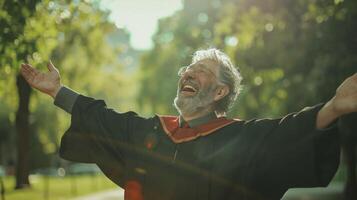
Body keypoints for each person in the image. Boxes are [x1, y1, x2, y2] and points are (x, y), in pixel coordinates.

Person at [20, 48, 357, 200]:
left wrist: (332, 108)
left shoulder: (240, 138)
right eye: (188, 70)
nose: (189, 74)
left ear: (220, 91)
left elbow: (287, 133)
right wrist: (58, 91)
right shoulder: (150, 132)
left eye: (203, 72)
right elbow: (100, 118)